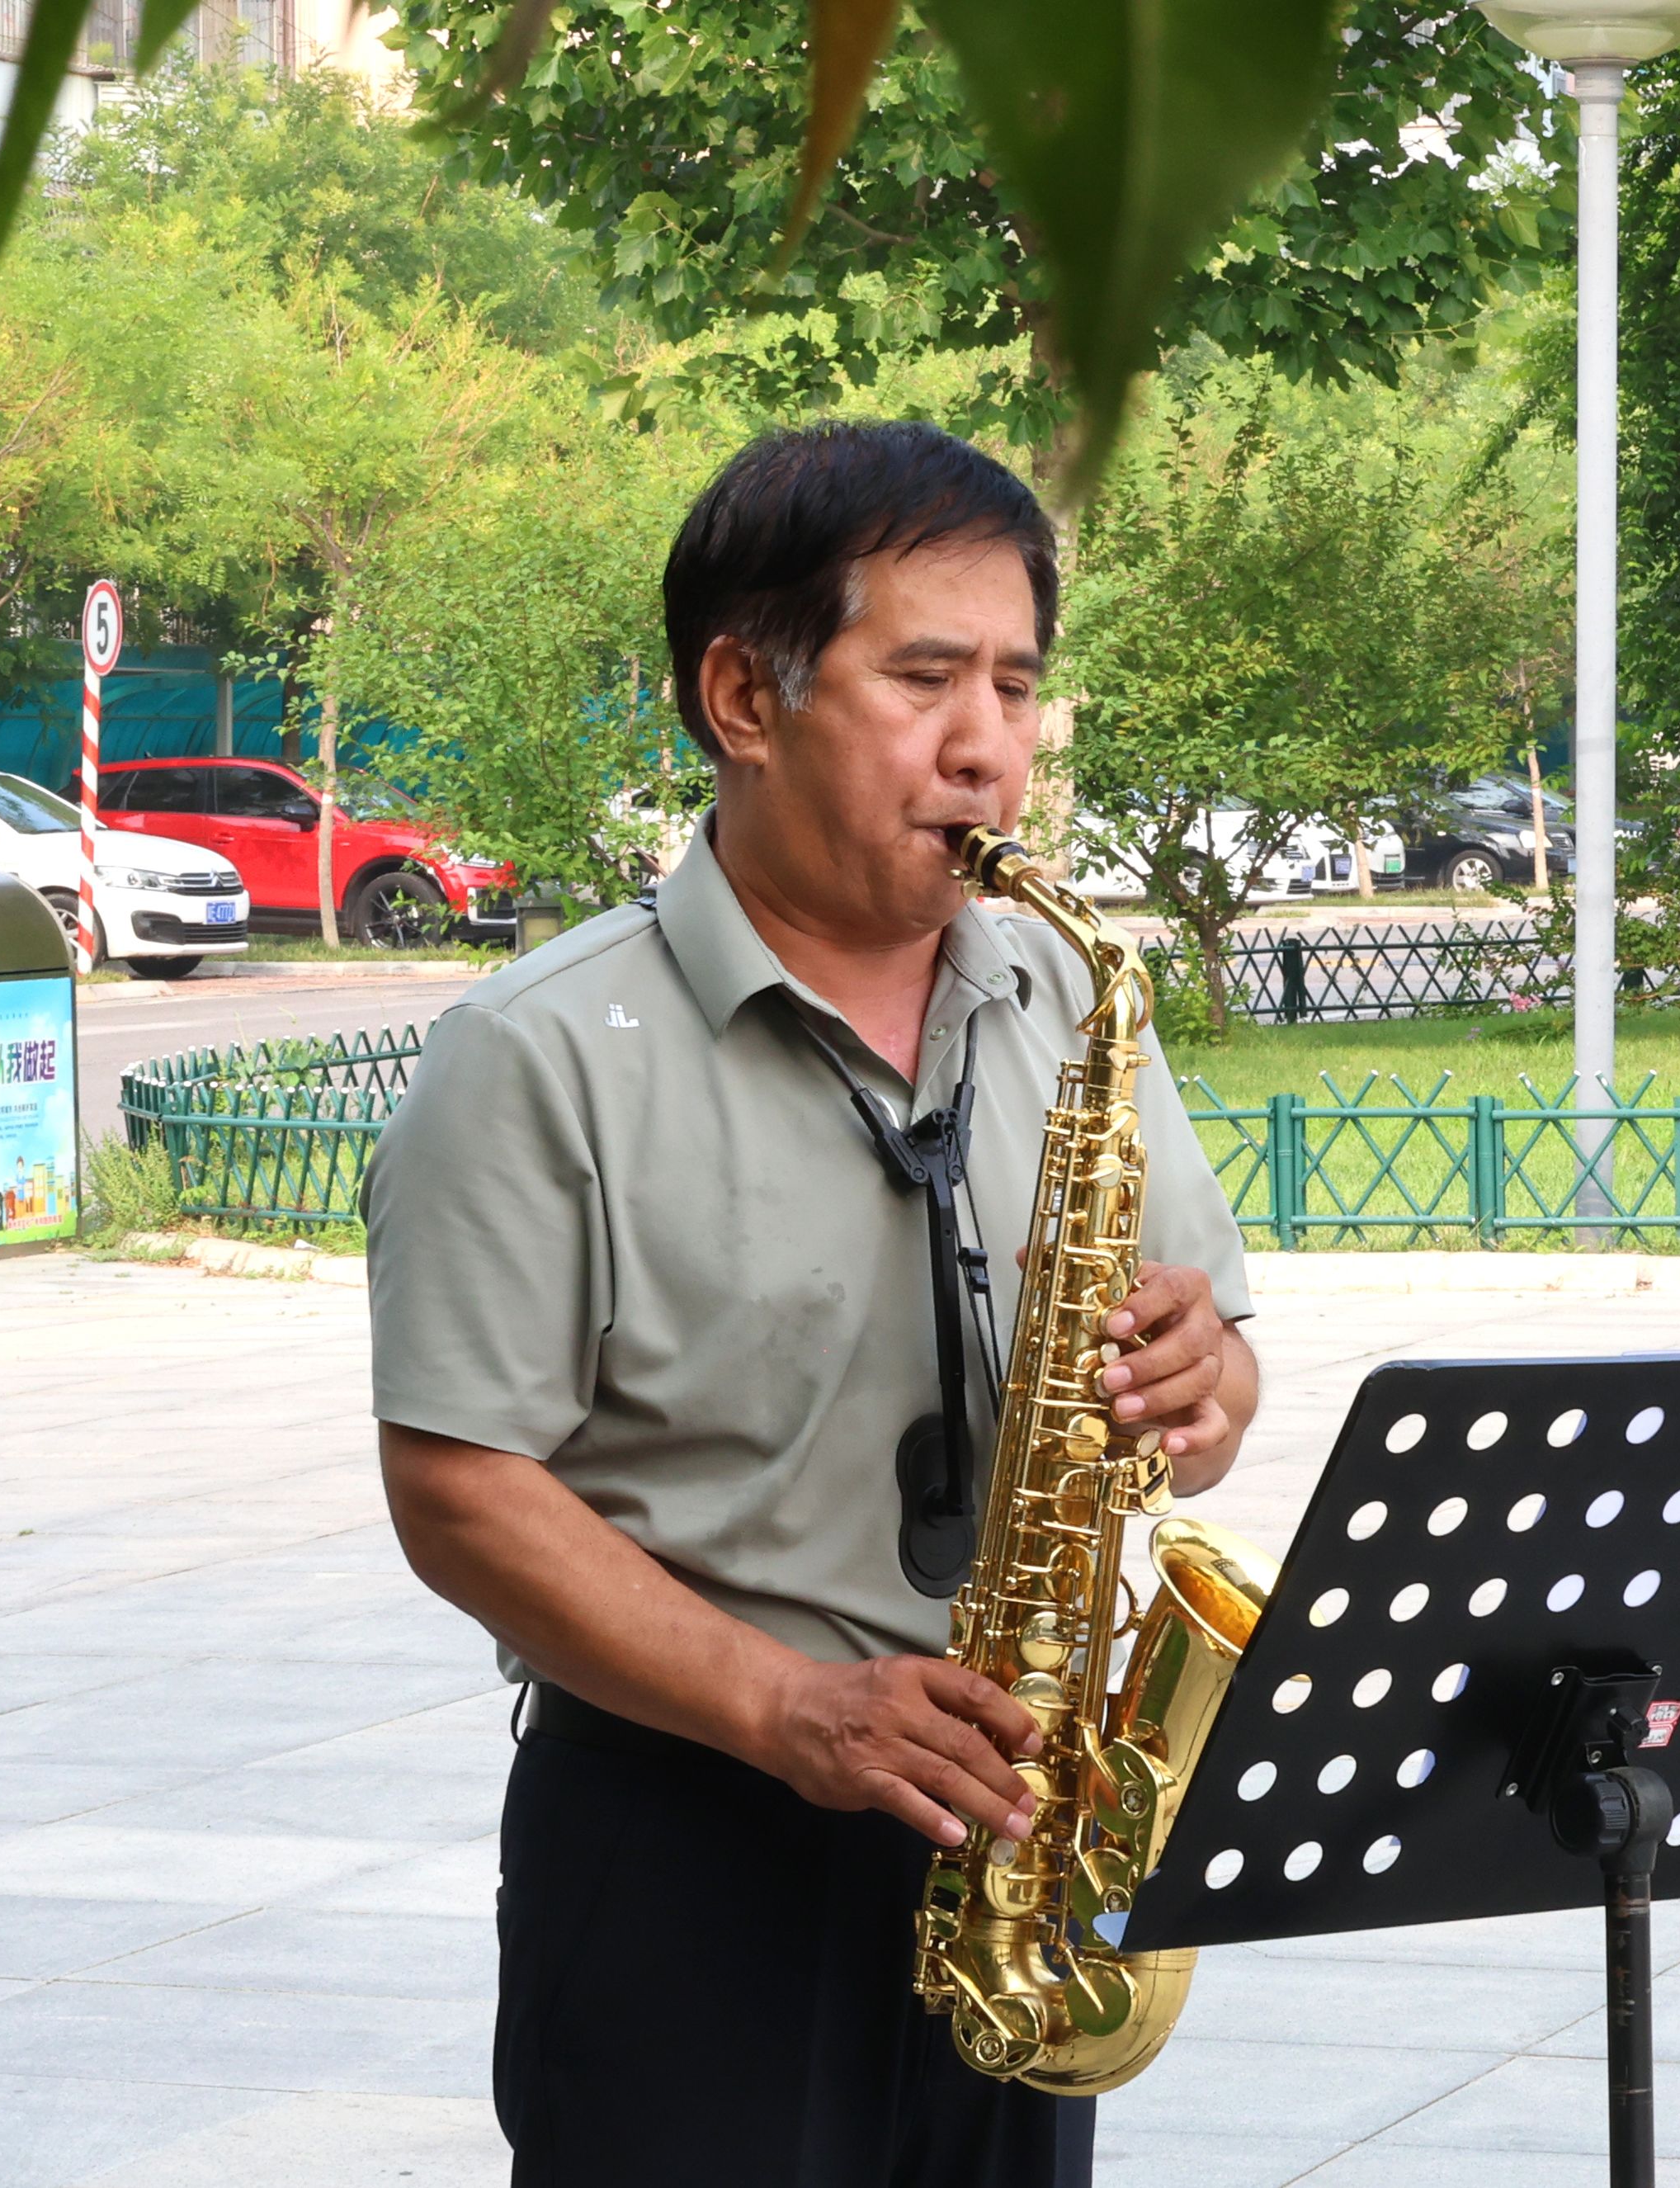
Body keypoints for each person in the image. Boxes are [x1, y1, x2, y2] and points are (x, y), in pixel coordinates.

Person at [365, 420, 1262, 2188]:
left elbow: (1215, 1386)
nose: (988, 746)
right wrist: (788, 1707)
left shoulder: (1071, 998)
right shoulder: (536, 1053)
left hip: (1018, 1831)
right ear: (743, 700)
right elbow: (456, 1488)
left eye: (1016, 685)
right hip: (689, 1838)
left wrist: (1201, 1380)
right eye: (924, 678)